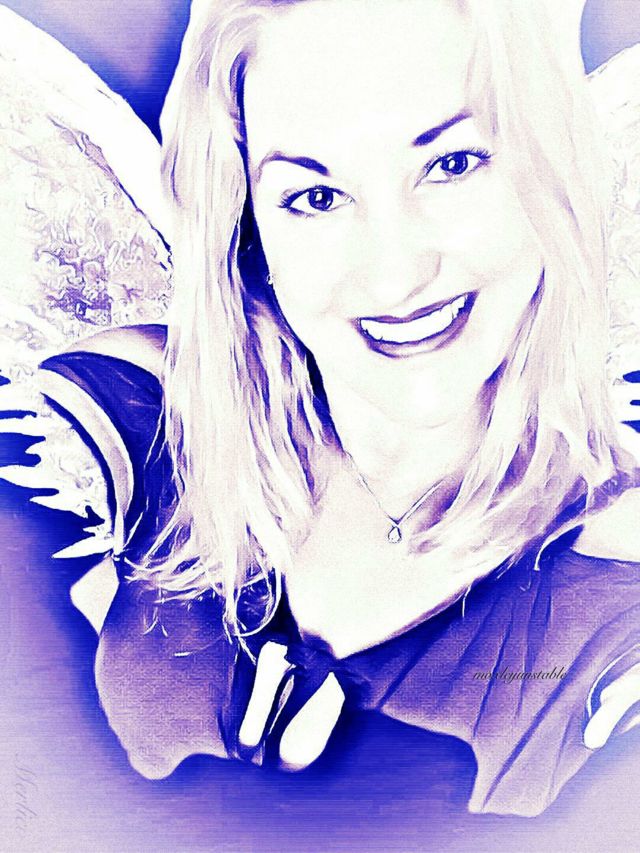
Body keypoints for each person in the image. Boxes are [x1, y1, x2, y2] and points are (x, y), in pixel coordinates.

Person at [3, 0, 640, 835]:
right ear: (247, 228)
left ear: (549, 167)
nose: (393, 274)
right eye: (314, 195)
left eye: (451, 163)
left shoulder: (617, 601)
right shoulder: (145, 411)